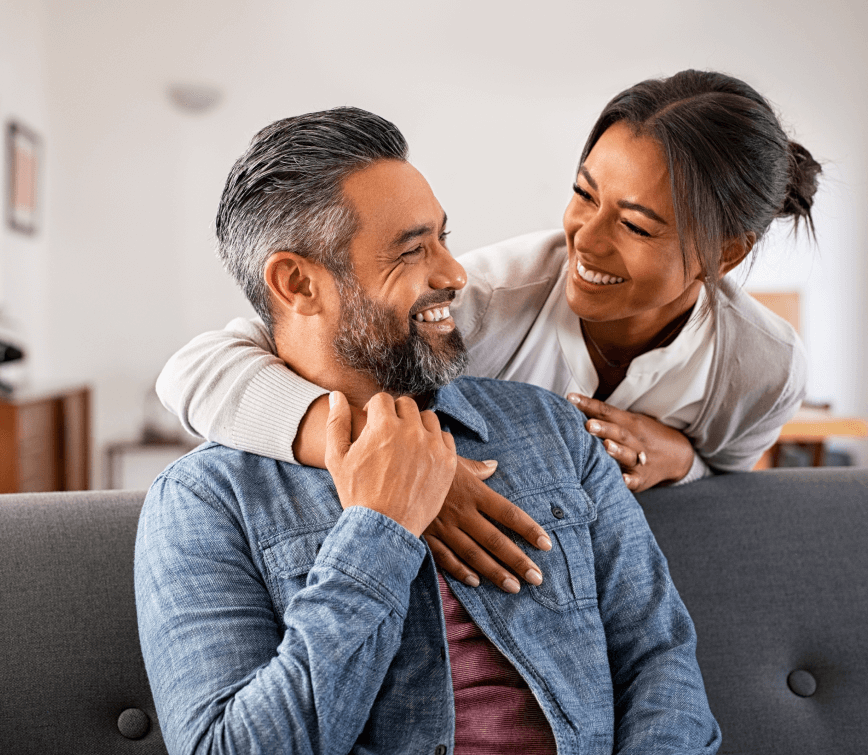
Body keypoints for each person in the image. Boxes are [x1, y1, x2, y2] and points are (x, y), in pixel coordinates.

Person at [135, 107, 720, 754]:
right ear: (297, 283)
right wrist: (378, 530)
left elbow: (661, 658)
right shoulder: (204, 501)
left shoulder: (552, 428)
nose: (454, 273)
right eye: (413, 249)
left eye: (443, 238)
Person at [156, 69, 821, 592]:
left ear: (725, 253)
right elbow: (195, 370)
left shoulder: (761, 366)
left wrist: (685, 460)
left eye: (637, 224)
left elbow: (732, 485)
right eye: (584, 193)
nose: (584, 239)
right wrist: (396, 461)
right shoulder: (490, 298)